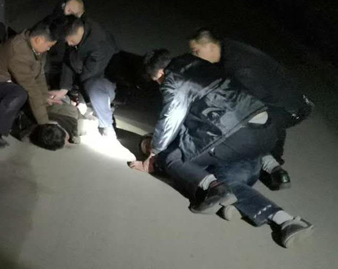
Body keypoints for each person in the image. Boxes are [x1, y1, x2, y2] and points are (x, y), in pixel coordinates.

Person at [130, 49, 276, 214]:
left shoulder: (173, 81)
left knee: (172, 158)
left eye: (157, 80)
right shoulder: (192, 62)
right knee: (210, 163)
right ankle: (270, 177)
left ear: (161, 72)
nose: (159, 84)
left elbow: (171, 119)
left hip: (241, 135)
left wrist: (154, 152)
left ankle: (215, 189)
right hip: (267, 128)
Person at [189, 28, 314, 190]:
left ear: (211, 47)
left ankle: (269, 165)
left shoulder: (241, 69)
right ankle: (275, 168)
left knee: (243, 124)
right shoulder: (228, 48)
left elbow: (251, 105)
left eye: (196, 51)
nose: (194, 55)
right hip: (285, 100)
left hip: (290, 109)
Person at [0, 18, 61, 148]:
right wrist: (44, 123)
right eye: (49, 46)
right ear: (39, 40)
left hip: (1, 83)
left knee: (26, 94)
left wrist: (45, 97)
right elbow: (32, 89)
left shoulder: (34, 47)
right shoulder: (18, 53)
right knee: (20, 93)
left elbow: (39, 75)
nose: (49, 49)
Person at [49, 16, 120, 138]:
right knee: (57, 78)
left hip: (103, 79)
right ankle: (84, 105)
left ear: (78, 33)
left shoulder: (100, 43)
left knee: (94, 89)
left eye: (71, 41)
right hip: (83, 73)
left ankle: (107, 125)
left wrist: (81, 99)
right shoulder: (76, 32)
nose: (69, 44)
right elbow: (68, 61)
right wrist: (64, 88)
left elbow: (89, 74)